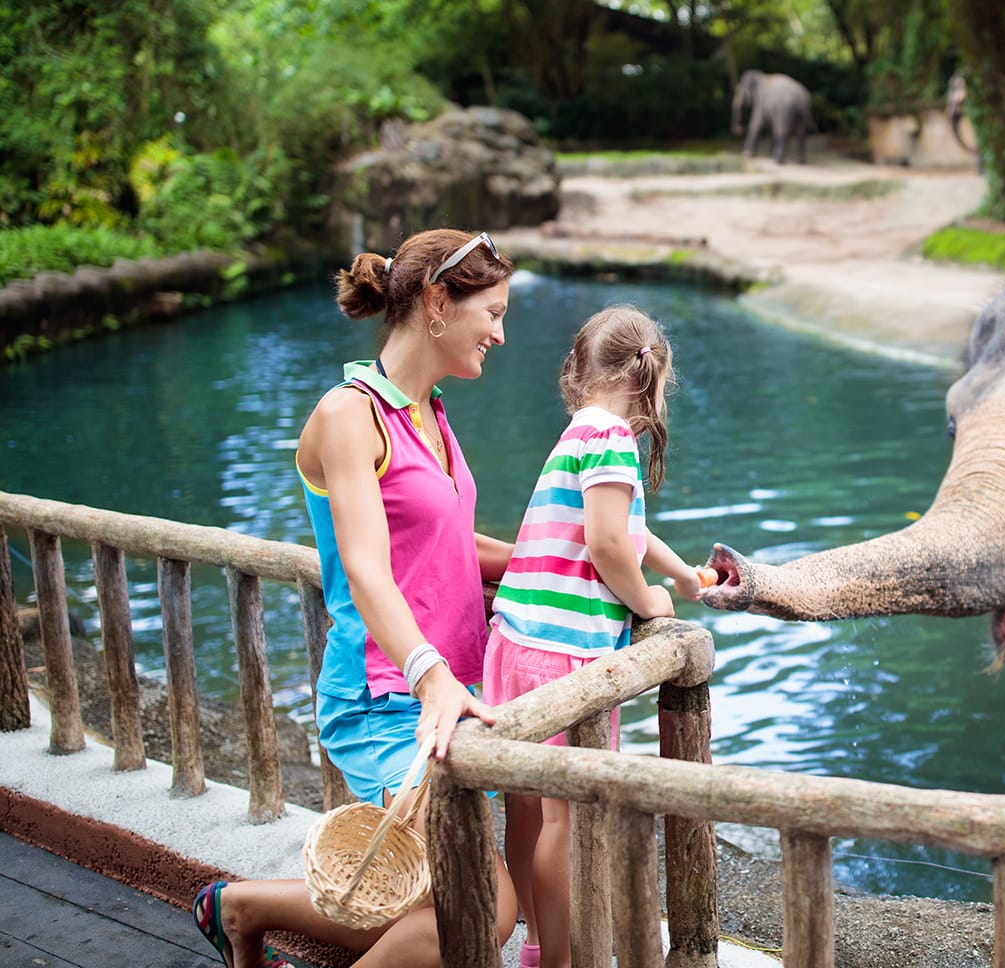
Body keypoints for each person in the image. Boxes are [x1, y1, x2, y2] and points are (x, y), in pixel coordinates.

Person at [191, 228, 520, 968]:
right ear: (437, 303)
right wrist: (431, 674)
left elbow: (449, 546)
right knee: (484, 905)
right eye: (491, 313)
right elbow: (368, 568)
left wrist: (566, 563)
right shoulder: (349, 415)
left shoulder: (431, 413)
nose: (499, 333)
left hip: (450, 689)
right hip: (387, 696)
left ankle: (239, 906)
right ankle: (239, 907)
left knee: (416, 894)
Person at [483, 304, 705, 968]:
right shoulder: (614, 438)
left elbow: (627, 526)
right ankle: (560, 959)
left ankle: (533, 941)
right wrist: (647, 598)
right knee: (564, 818)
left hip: (516, 641)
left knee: (524, 809)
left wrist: (682, 576)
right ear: (651, 379)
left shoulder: (581, 431)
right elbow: (608, 544)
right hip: (564, 654)